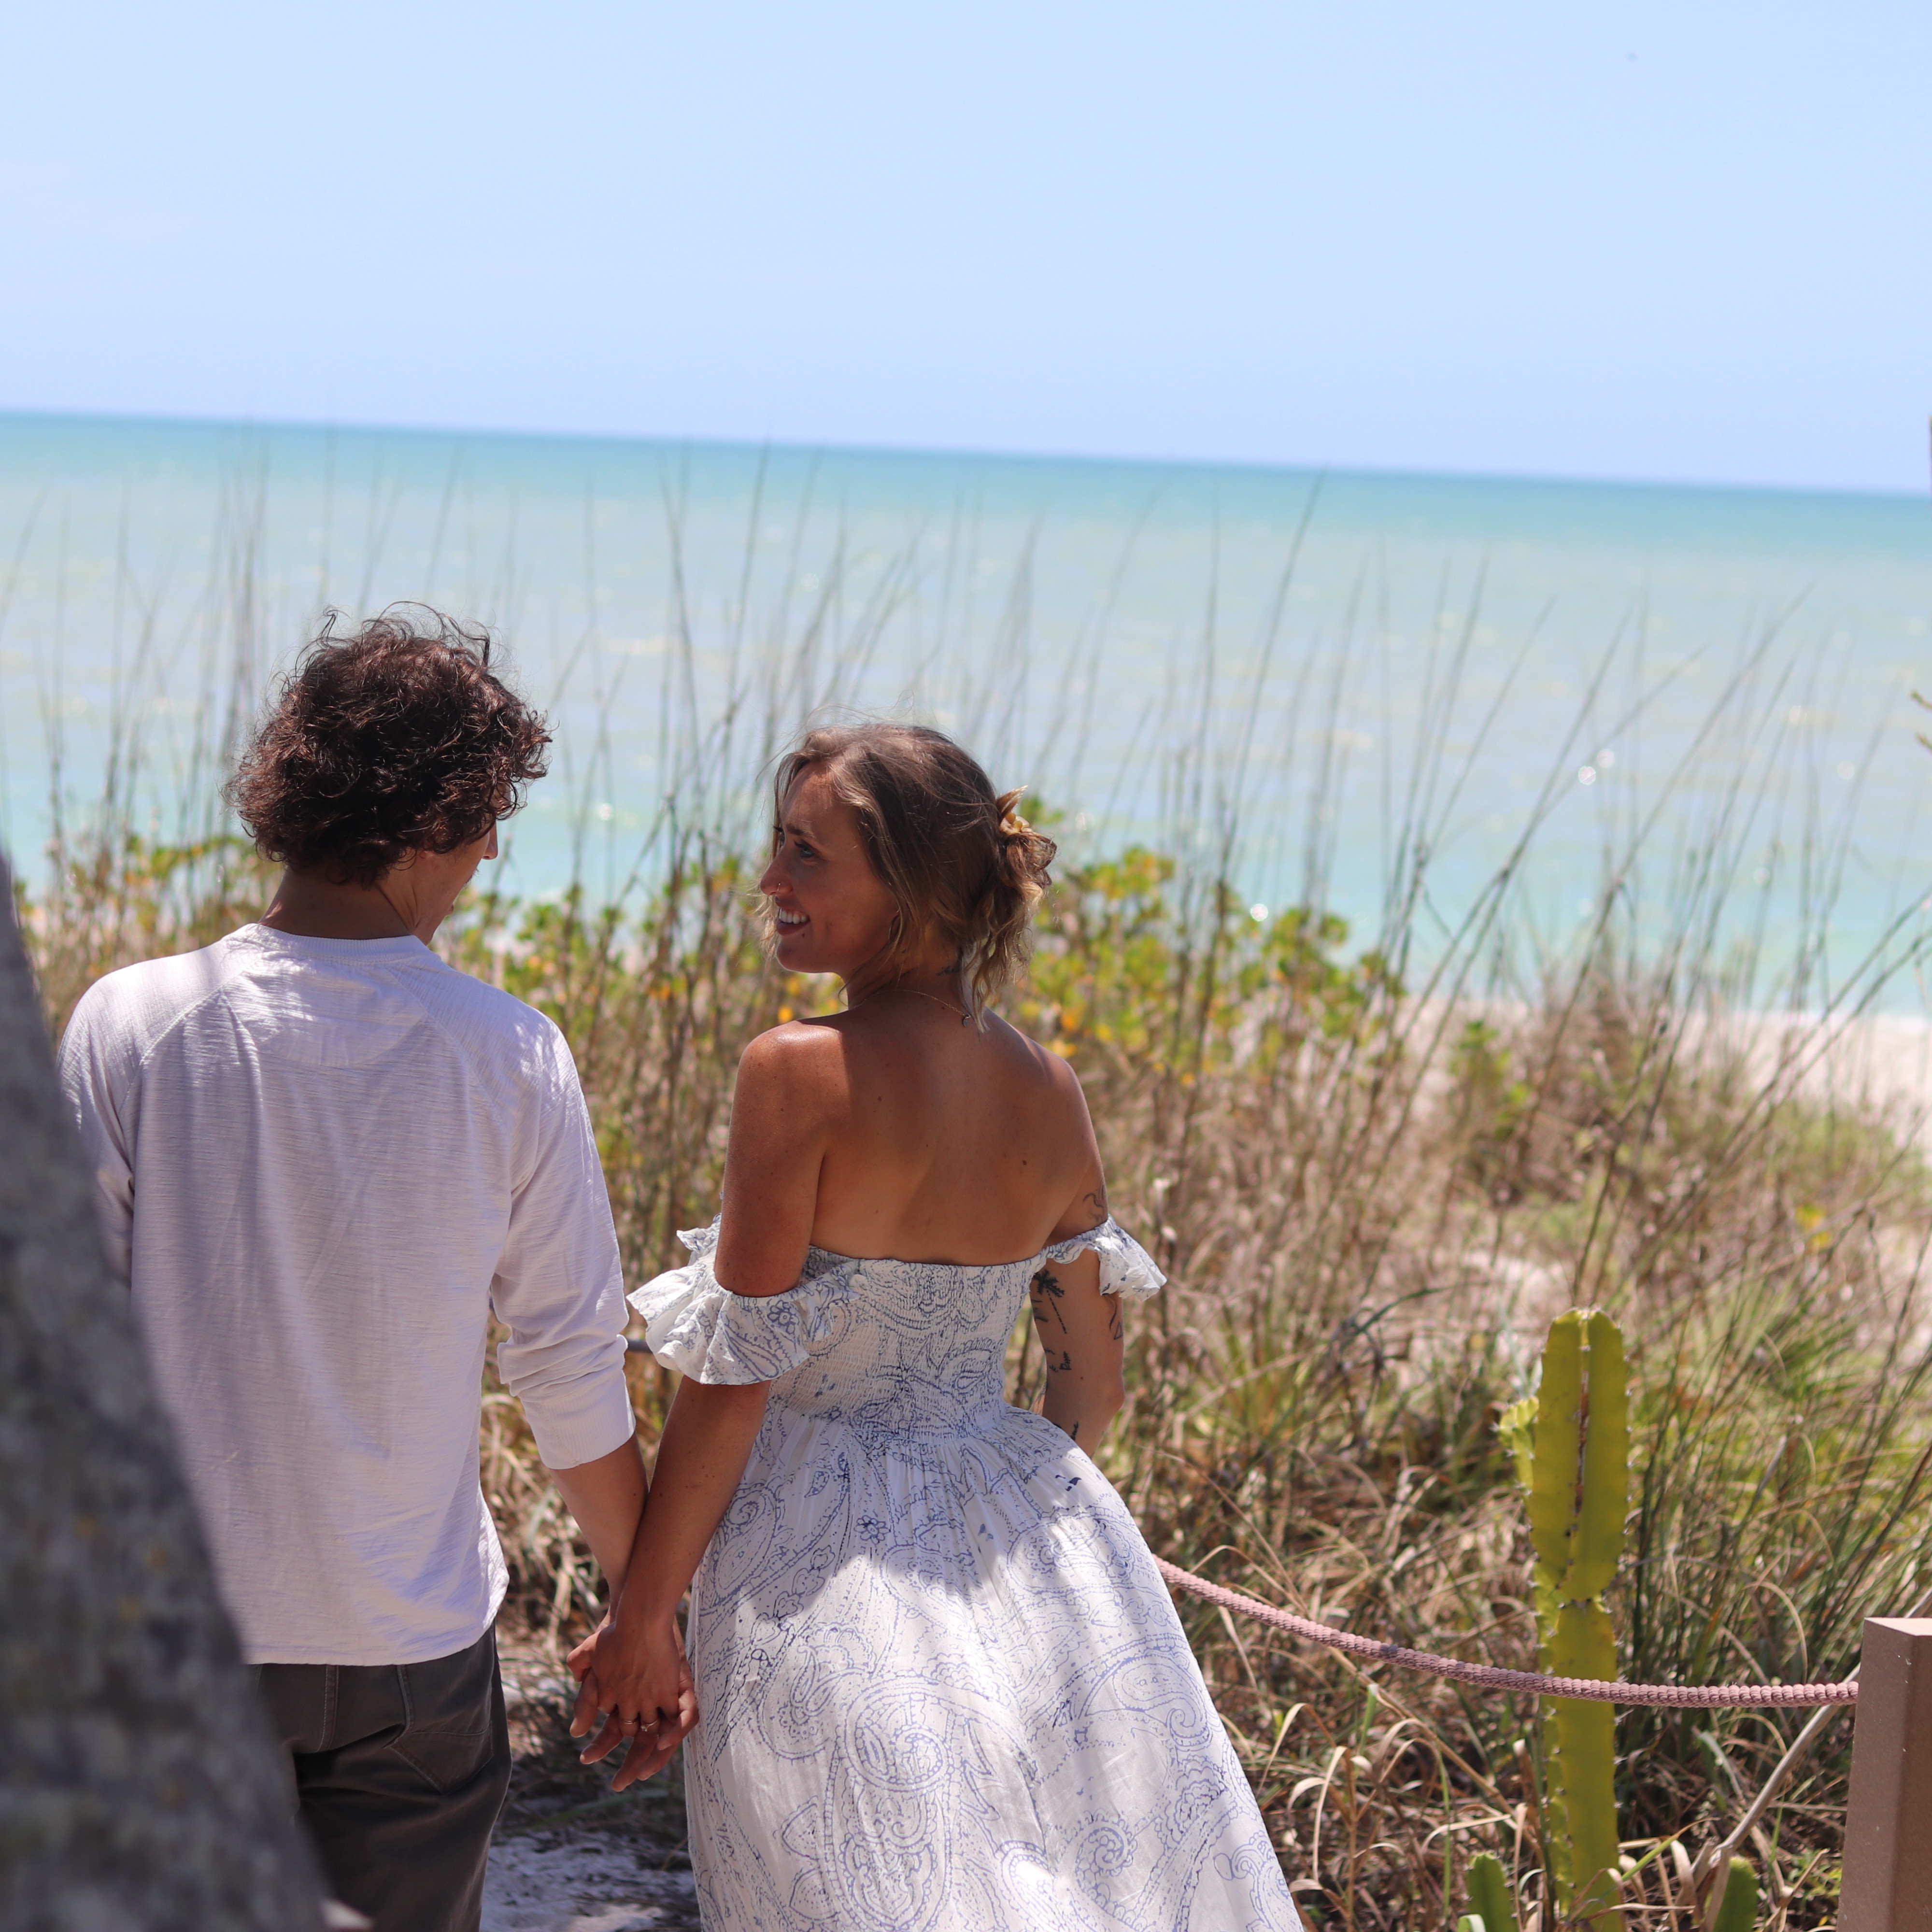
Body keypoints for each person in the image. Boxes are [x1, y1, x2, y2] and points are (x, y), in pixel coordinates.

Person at [568, 722, 1303, 1930]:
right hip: (1032, 1543)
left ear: (909, 888)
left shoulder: (796, 1071)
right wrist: (1006, 1502)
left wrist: (645, 1612)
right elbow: (1089, 1392)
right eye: (778, 846)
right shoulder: (1050, 1089)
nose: (771, 882)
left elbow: (738, 1375)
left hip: (819, 1545)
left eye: (806, 855)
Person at [57, 609, 671, 1932]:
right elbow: (567, 1367)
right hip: (410, 1649)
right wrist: (645, 1607)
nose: (496, 849)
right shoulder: (511, 1055)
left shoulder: (136, 1021)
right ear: (435, 820)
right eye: (490, 814)